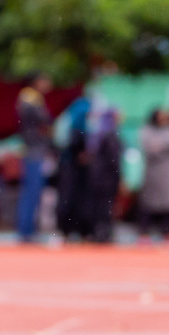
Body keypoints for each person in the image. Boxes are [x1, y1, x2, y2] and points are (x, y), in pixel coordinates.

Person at [138, 107, 169, 241]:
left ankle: (168, 233)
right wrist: (165, 146)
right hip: (153, 174)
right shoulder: (147, 130)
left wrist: (162, 146)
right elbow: (150, 147)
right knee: (149, 203)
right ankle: (144, 234)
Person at [17, 74, 54, 242]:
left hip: (34, 149)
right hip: (33, 150)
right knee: (32, 191)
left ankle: (28, 229)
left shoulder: (32, 99)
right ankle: (26, 230)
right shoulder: (30, 99)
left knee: (33, 191)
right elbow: (44, 120)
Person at [56, 97, 94, 241]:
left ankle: (67, 231)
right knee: (72, 199)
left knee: (70, 198)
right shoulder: (79, 123)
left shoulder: (67, 119)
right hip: (73, 168)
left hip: (68, 167)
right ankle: (71, 230)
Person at [88, 107, 124, 244]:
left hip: (97, 177)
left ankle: (97, 232)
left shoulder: (99, 133)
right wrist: (120, 177)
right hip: (108, 178)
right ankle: (103, 234)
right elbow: (114, 160)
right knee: (106, 207)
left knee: (98, 206)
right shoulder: (111, 135)